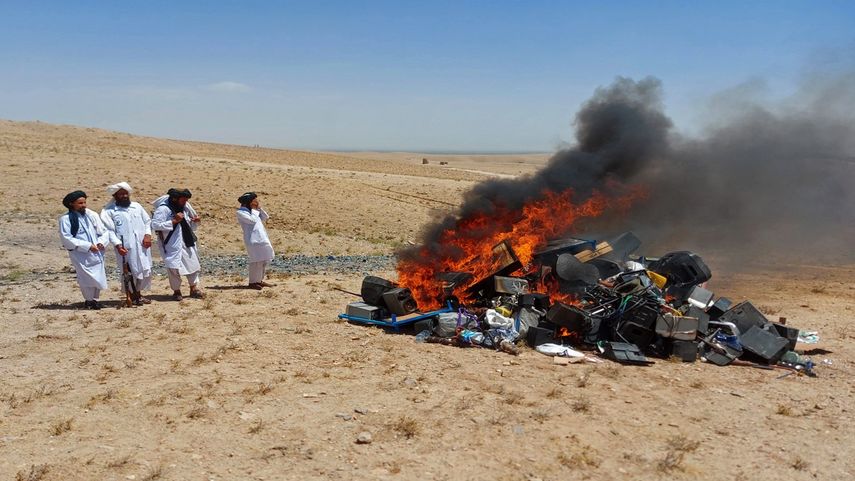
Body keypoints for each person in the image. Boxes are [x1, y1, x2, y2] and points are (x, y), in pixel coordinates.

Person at [100, 181, 153, 305]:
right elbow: (109, 231)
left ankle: (138, 294)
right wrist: (118, 245)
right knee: (129, 272)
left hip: (142, 245)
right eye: (121, 194)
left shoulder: (137, 206)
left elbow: (147, 221)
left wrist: (148, 235)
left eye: (126, 194)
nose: (124, 196)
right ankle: (132, 296)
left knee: (144, 269)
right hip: (125, 247)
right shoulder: (109, 211)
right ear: (115, 196)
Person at [58, 190, 110, 309]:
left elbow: (103, 231)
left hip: (97, 252)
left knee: (98, 276)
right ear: (72, 204)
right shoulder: (65, 219)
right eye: (80, 203)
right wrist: (87, 246)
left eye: (84, 202)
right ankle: (89, 301)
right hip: (80, 254)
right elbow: (66, 238)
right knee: (86, 277)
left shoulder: (91, 215)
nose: (84, 205)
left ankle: (95, 300)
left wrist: (101, 242)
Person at [151, 188, 204, 300]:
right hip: (171, 243)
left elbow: (186, 220)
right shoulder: (163, 209)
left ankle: (193, 288)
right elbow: (155, 225)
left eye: (186, 200)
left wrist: (193, 220)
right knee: (173, 267)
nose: (185, 202)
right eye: (183, 200)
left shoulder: (184, 207)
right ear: (175, 199)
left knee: (193, 264)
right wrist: (173, 221)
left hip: (186, 240)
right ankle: (176, 291)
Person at [236, 192, 275, 289]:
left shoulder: (254, 211)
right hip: (252, 241)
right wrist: (254, 210)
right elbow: (252, 220)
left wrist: (259, 208)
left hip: (262, 239)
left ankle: (259, 280)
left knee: (263, 261)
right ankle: (252, 282)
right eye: (254, 201)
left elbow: (265, 217)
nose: (256, 202)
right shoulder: (241, 213)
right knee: (256, 261)